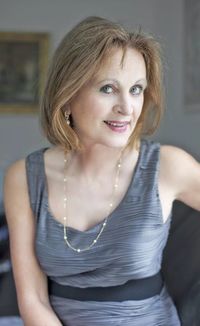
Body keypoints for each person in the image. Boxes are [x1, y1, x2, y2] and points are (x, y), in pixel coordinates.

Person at [3, 16, 200, 326]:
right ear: (68, 96)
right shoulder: (24, 178)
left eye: (136, 89)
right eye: (108, 88)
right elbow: (33, 299)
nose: (127, 107)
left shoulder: (168, 166)